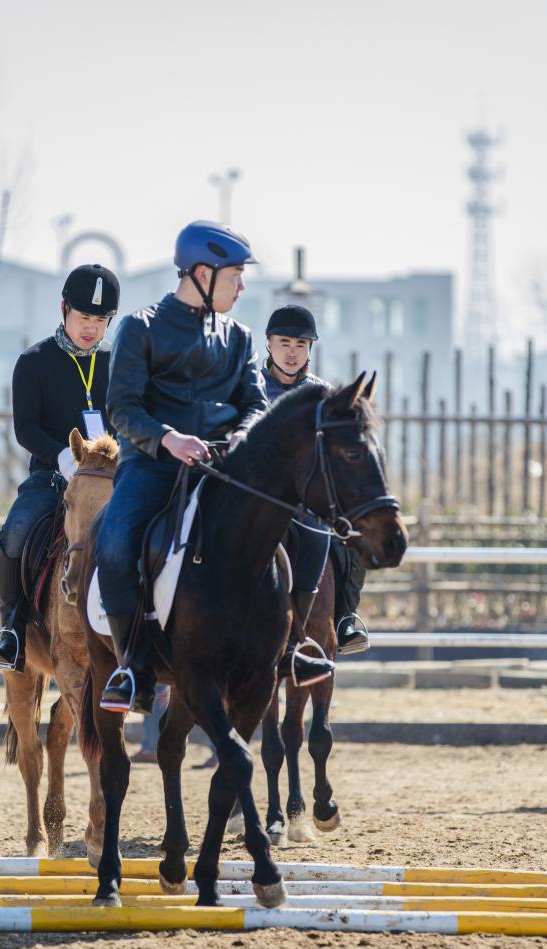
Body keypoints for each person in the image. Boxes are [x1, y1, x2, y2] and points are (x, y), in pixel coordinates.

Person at [95, 222, 334, 715]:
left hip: (225, 468)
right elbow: (121, 408)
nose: (242, 287)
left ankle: (293, 645)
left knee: (310, 531)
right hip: (154, 466)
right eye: (235, 276)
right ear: (203, 273)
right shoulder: (139, 327)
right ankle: (132, 666)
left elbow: (252, 404)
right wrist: (168, 439)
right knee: (115, 539)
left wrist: (245, 437)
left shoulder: (240, 337)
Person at [0, 264, 119, 670]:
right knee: (15, 532)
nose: (91, 328)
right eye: (84, 317)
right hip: (53, 475)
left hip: (113, 479)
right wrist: (62, 454)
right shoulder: (34, 361)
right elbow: (25, 427)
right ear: (64, 308)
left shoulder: (119, 364)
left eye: (100, 320)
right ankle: (10, 631)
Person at [262, 304, 371, 654]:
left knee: (353, 540)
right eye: (284, 342)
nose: (292, 351)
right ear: (268, 344)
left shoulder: (325, 396)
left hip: (309, 503)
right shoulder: (249, 388)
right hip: (259, 500)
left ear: (310, 349)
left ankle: (345, 617)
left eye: (300, 344)